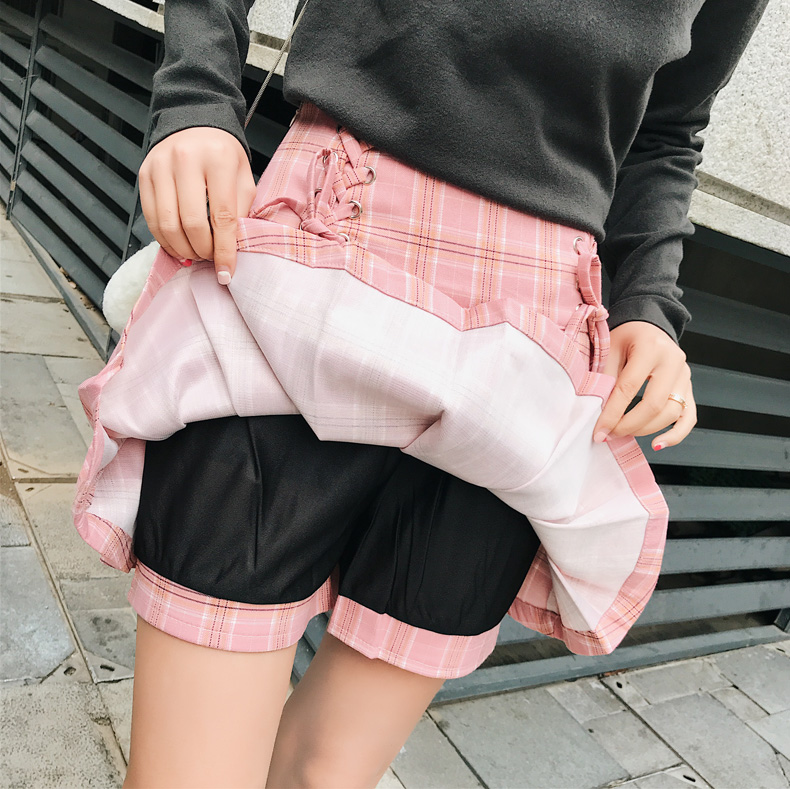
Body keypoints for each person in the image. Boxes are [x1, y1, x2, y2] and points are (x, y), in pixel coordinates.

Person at [98, 1, 767, 786]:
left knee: (325, 774)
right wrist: (197, 97)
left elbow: (667, 127)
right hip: (321, 246)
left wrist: (648, 303)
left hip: (530, 351)